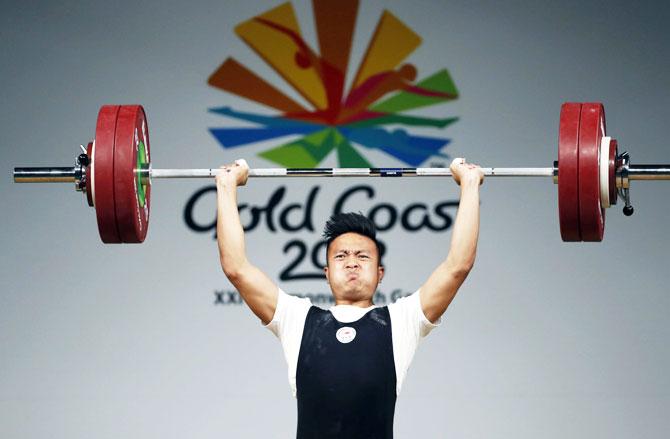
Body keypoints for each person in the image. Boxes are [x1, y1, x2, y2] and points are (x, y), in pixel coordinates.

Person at [215, 158, 484, 438]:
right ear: (327, 273)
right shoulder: (297, 319)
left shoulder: (401, 321)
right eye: (341, 256)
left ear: (380, 273)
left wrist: (469, 184)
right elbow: (236, 267)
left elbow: (458, 266)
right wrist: (226, 185)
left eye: (363, 256)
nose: (352, 263)